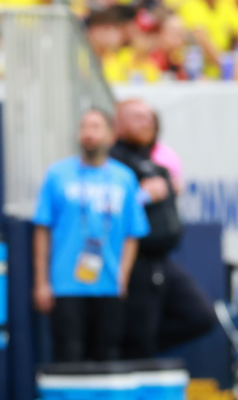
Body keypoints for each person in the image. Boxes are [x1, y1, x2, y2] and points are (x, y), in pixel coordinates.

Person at [32, 109, 150, 363]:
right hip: (66, 284)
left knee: (106, 357)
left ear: (111, 134)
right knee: (68, 356)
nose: (88, 133)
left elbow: (134, 232)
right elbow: (42, 228)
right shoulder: (57, 175)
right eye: (84, 127)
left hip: (108, 285)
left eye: (96, 127)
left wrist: (123, 277)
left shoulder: (125, 178)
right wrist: (42, 281)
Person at [111, 99, 217, 359]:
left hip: (162, 260)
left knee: (200, 316)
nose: (147, 123)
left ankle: (135, 351)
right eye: (137, 117)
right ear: (118, 123)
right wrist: (141, 196)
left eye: (150, 117)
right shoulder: (112, 164)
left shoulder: (154, 162)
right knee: (138, 336)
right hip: (132, 260)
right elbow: (103, 208)